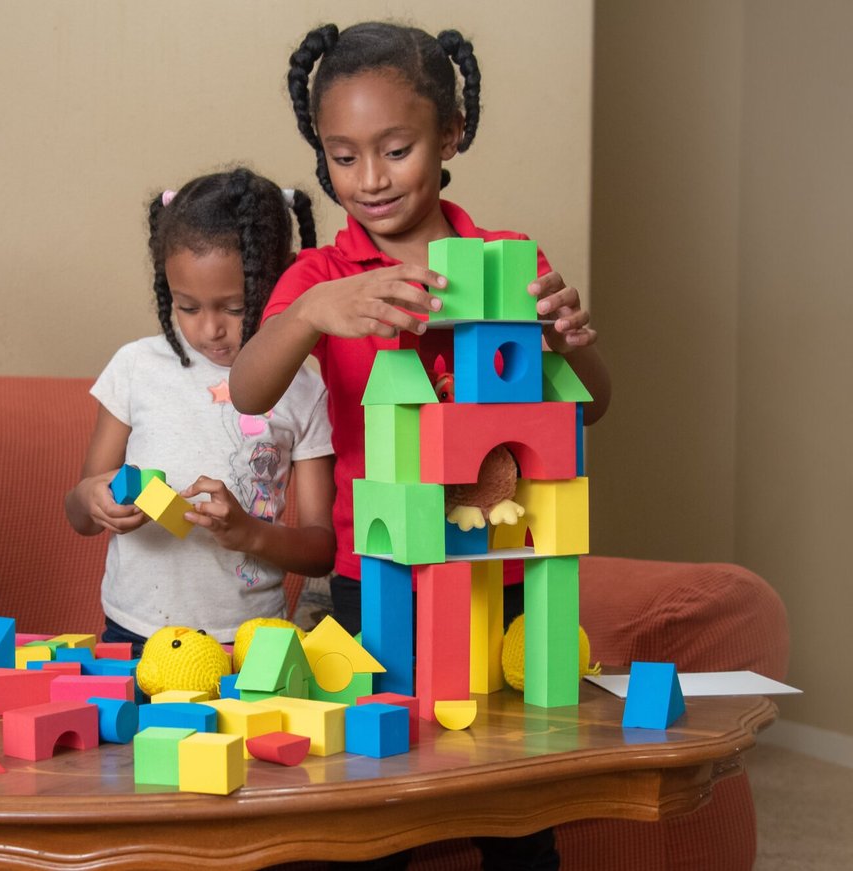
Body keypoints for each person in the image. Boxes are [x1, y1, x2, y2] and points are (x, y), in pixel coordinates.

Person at [228, 22, 613, 870]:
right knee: (379, 800)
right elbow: (249, 391)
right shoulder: (323, 279)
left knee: (516, 800)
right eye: (342, 156)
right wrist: (310, 317)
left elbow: (592, 409)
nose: (368, 179)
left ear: (451, 134)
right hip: (380, 579)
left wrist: (573, 341)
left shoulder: (510, 258)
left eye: (395, 149)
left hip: (504, 573)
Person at [64, 169, 337, 656]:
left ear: (284, 279)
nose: (210, 329)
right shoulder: (136, 367)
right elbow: (82, 512)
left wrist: (249, 532)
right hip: (135, 631)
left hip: (246, 639)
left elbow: (321, 551)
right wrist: (93, 499)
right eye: (187, 307)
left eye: (234, 308)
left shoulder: (306, 391)